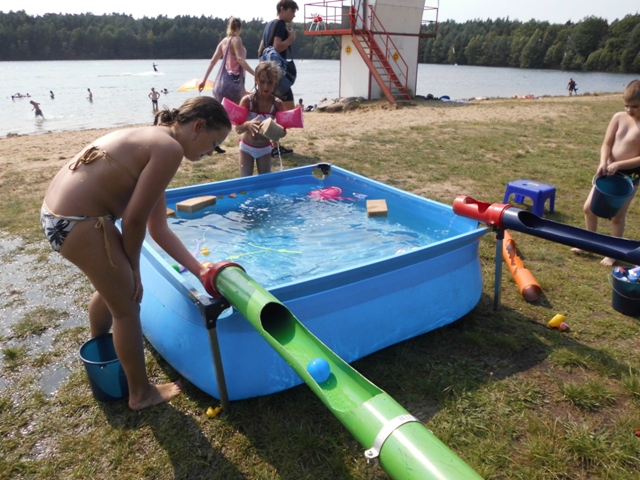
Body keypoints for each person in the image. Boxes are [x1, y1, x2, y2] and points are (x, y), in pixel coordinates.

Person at [40, 96, 231, 410]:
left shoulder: (156, 139)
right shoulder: (169, 149)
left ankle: (102, 346)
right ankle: (141, 394)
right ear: (198, 127)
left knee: (115, 288)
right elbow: (133, 221)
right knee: (127, 304)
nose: (211, 152)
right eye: (214, 143)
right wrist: (135, 273)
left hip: (58, 216)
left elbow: (158, 229)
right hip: (77, 222)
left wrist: (198, 270)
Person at [571, 80, 640, 266]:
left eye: (635, 106)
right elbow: (607, 144)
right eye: (626, 105)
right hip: (607, 172)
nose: (629, 110)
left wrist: (619, 164)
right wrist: (603, 161)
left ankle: (612, 252)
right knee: (588, 208)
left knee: (617, 216)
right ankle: (589, 243)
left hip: (628, 178)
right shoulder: (618, 117)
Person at [258, 0, 299, 158]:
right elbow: (276, 47)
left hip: (267, 74)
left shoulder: (269, 25)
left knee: (274, 108)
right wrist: (291, 39)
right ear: (282, 9)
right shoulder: (280, 24)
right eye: (292, 11)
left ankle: (273, 144)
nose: (294, 15)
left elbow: (260, 50)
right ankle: (274, 145)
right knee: (285, 110)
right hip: (277, 76)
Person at [235, 61, 287, 177]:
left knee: (265, 184)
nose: (266, 86)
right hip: (246, 147)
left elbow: (283, 133)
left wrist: (274, 131)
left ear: (275, 82)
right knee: (245, 182)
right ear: (256, 80)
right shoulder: (247, 101)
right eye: (262, 82)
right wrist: (247, 124)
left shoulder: (277, 104)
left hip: (264, 149)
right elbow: (238, 129)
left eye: (270, 83)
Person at [199, 17, 255, 105]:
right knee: (237, 113)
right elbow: (240, 59)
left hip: (222, 84)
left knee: (224, 113)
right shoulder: (237, 39)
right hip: (235, 85)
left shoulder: (223, 42)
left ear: (229, 27)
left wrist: (204, 81)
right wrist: (255, 74)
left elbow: (212, 61)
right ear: (240, 28)